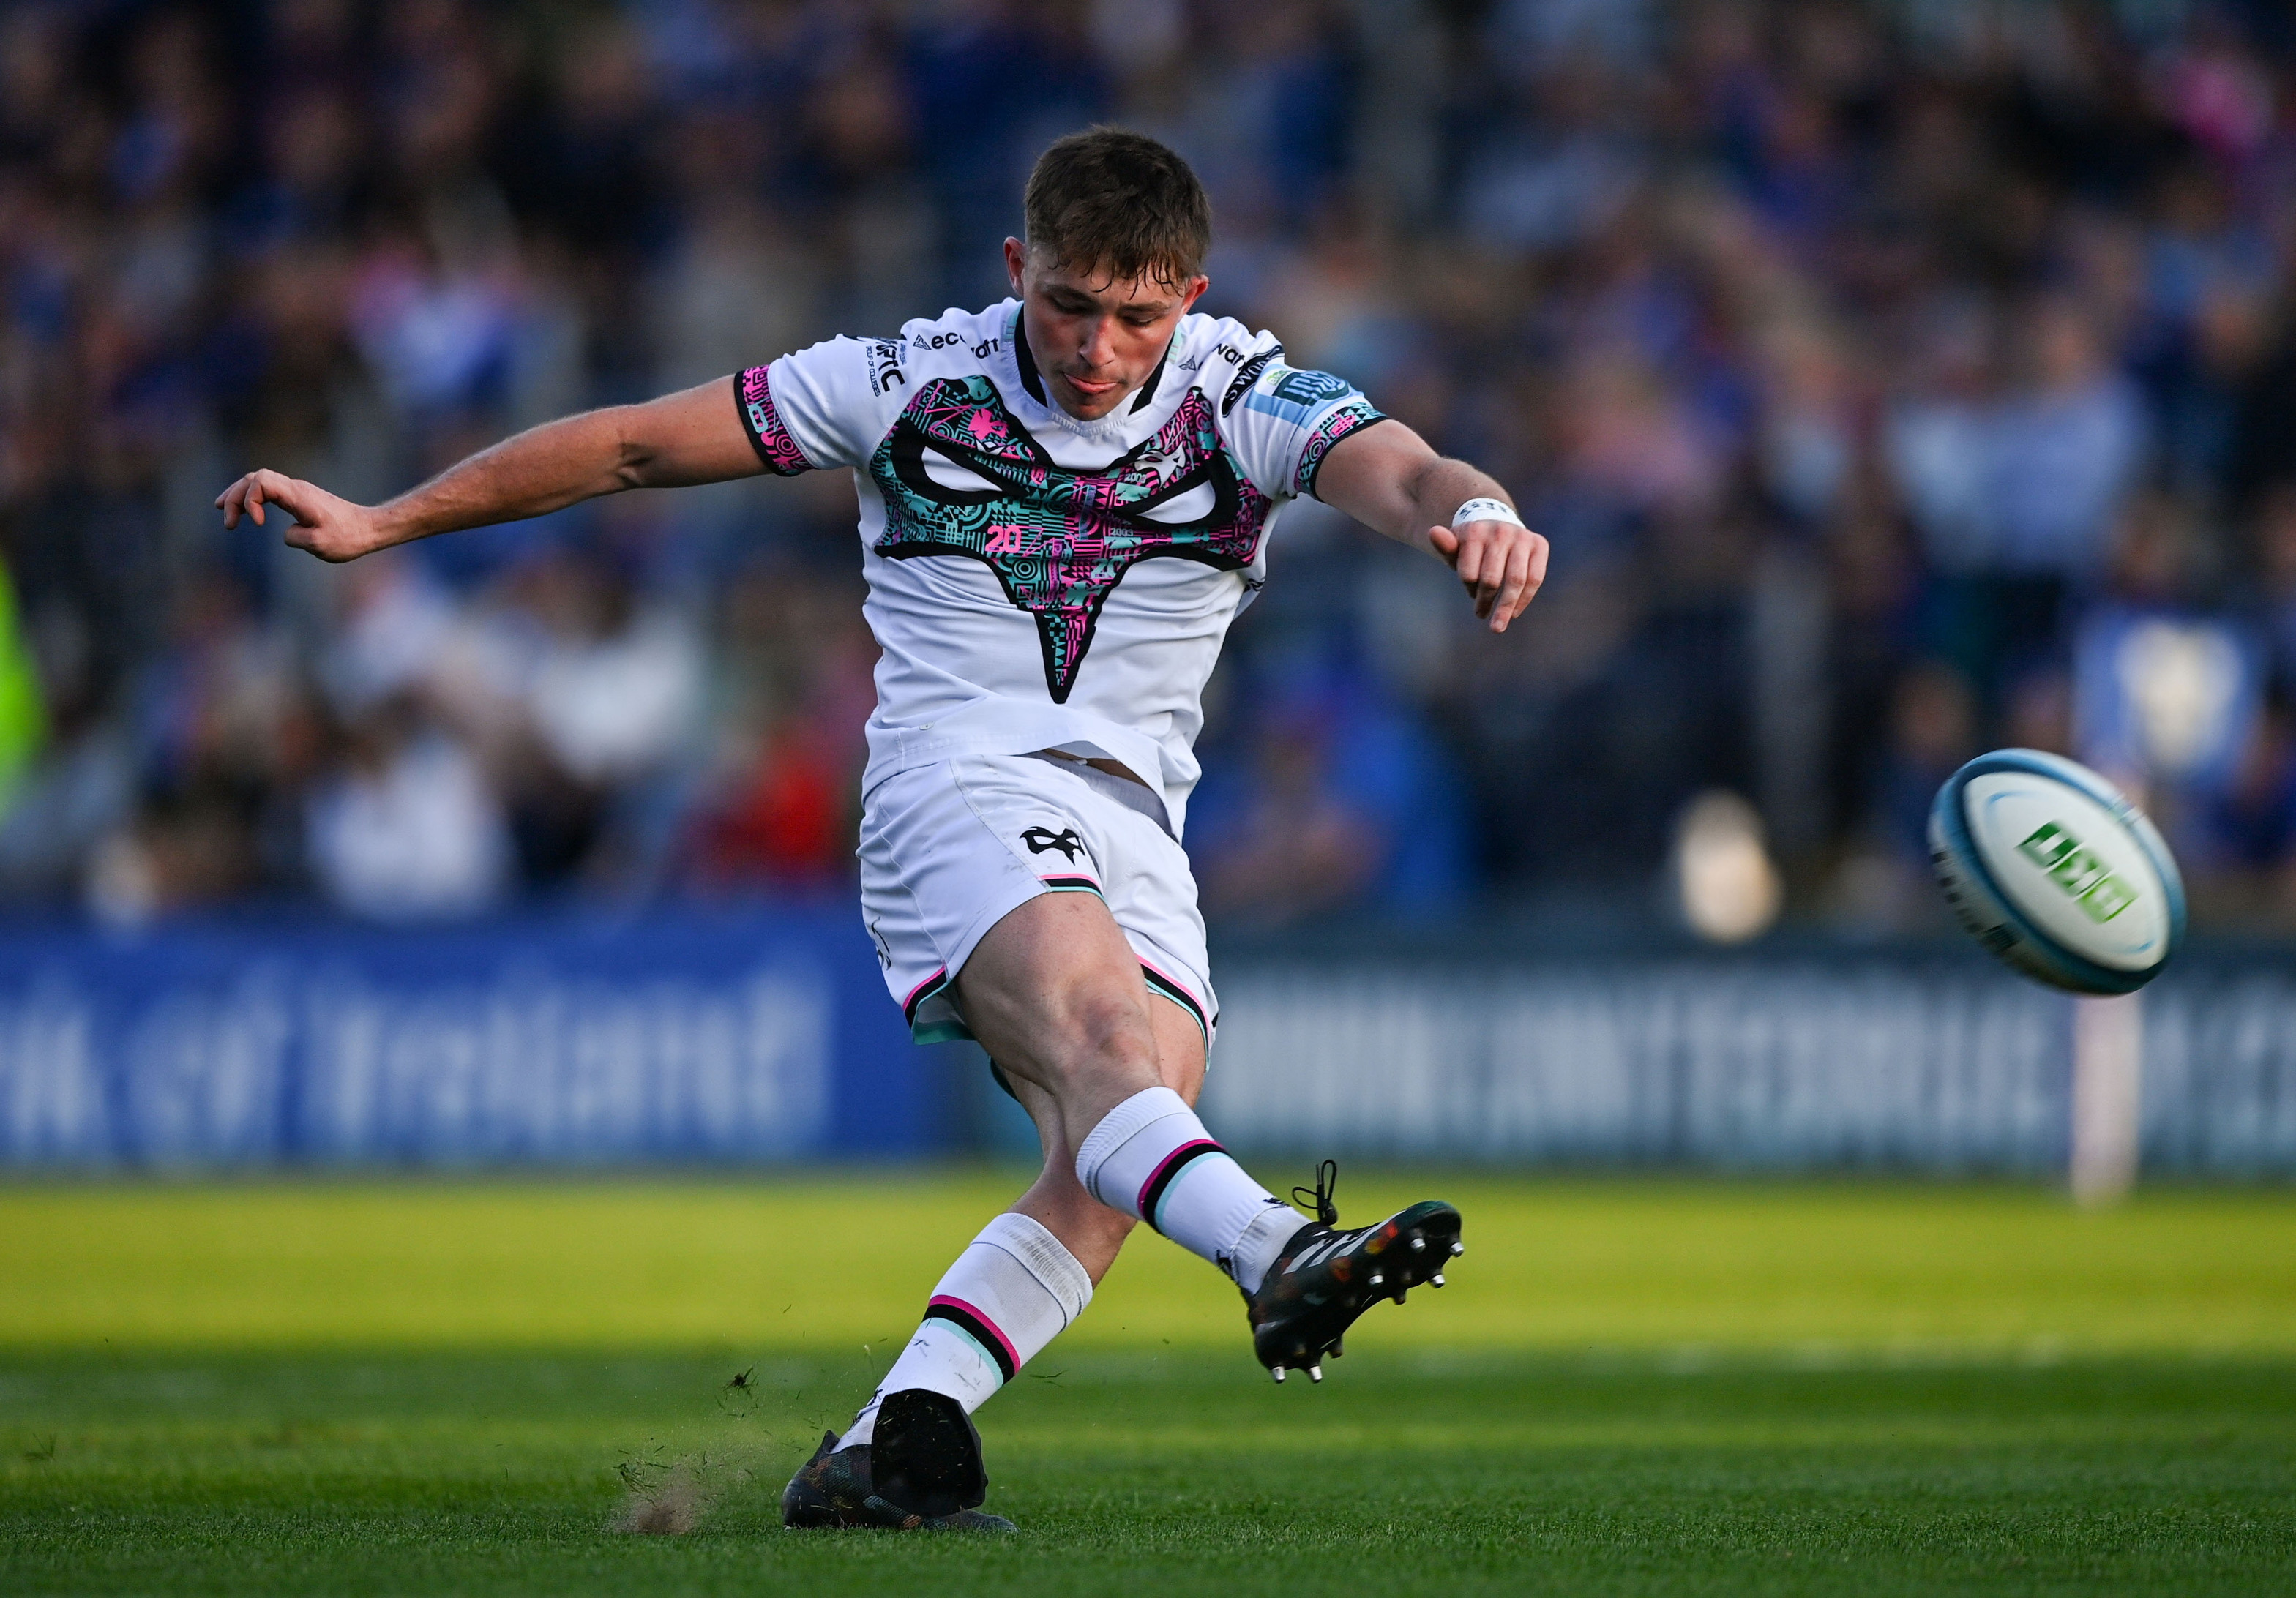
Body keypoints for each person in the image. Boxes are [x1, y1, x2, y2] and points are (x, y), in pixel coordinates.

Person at [215, 129, 1549, 1531]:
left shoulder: (1236, 396)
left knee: (1123, 1135)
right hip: (954, 780)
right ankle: (1280, 1251)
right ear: (1017, 269)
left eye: (1139, 316)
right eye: (1071, 305)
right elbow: (624, 450)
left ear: (1193, 296)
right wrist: (384, 522)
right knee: (1110, 1051)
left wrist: (1478, 505)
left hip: (1136, 818)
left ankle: (890, 1437)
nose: (1101, 347)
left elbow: (1398, 468)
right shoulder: (905, 382)